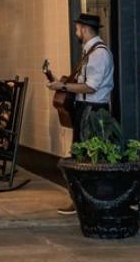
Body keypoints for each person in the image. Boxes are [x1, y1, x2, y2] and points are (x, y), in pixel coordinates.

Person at [45, 12, 112, 214]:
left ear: (83, 28)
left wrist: (63, 86)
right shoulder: (90, 52)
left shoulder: (98, 54)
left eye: (77, 28)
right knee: (81, 154)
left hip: (93, 110)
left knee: (86, 156)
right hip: (86, 109)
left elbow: (91, 87)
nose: (76, 32)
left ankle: (85, 200)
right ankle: (82, 199)